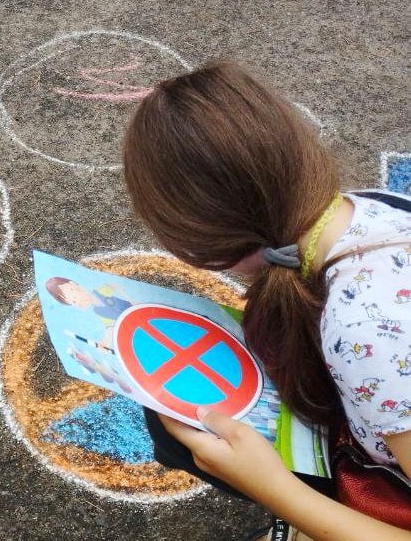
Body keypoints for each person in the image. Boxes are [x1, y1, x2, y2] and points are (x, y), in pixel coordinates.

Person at [121, 61, 410, 539]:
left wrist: (276, 491)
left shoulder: (365, 329)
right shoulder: (371, 208)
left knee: (177, 423)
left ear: (198, 248)